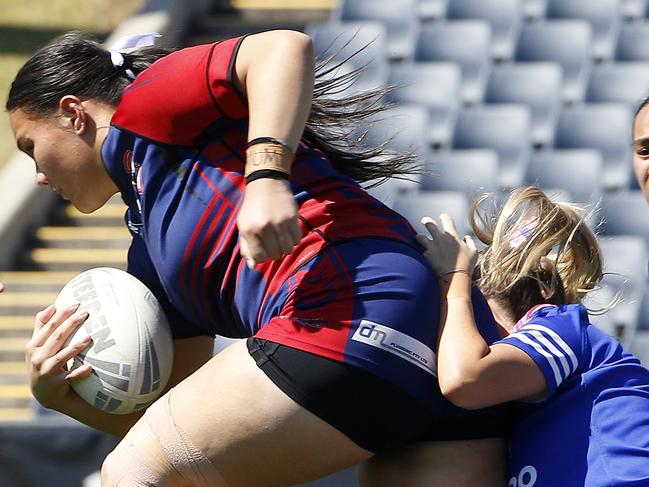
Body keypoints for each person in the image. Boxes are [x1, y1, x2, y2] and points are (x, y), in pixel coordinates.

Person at [7, 30, 507, 486]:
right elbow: (176, 416)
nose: (39, 176)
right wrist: (60, 397)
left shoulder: (146, 102)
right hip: (422, 346)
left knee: (129, 474)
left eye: (32, 148)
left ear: (74, 114)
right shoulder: (151, 250)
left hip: (356, 306)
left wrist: (268, 178)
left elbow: (283, 48)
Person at [417, 186, 649, 487]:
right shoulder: (521, 394)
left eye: (471, 318)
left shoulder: (561, 326)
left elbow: (464, 379)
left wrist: (454, 280)